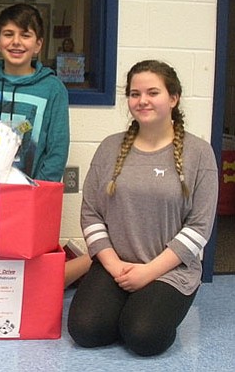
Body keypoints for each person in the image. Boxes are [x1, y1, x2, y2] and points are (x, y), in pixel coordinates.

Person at [67, 60, 218, 357]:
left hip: (168, 269)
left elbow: (199, 227)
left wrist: (148, 273)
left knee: (143, 337)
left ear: (173, 98)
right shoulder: (110, 147)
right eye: (135, 94)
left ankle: (141, 310)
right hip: (116, 265)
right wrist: (113, 265)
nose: (142, 101)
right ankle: (126, 304)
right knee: (86, 330)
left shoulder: (199, 153)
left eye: (152, 92)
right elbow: (91, 213)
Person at [0, 3, 90, 287]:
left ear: (38, 45)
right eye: (8, 34)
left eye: (26, 35)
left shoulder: (53, 87)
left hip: (32, 193)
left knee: (28, 262)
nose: (16, 42)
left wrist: (40, 192)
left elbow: (57, 146)